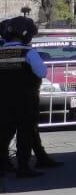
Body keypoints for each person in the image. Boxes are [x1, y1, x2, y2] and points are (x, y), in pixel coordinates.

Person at [1, 16, 58, 179]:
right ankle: (23, 167)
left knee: (4, 132)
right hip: (25, 99)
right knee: (25, 132)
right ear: (26, 34)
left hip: (3, 99)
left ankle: (3, 164)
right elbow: (42, 72)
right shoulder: (28, 52)